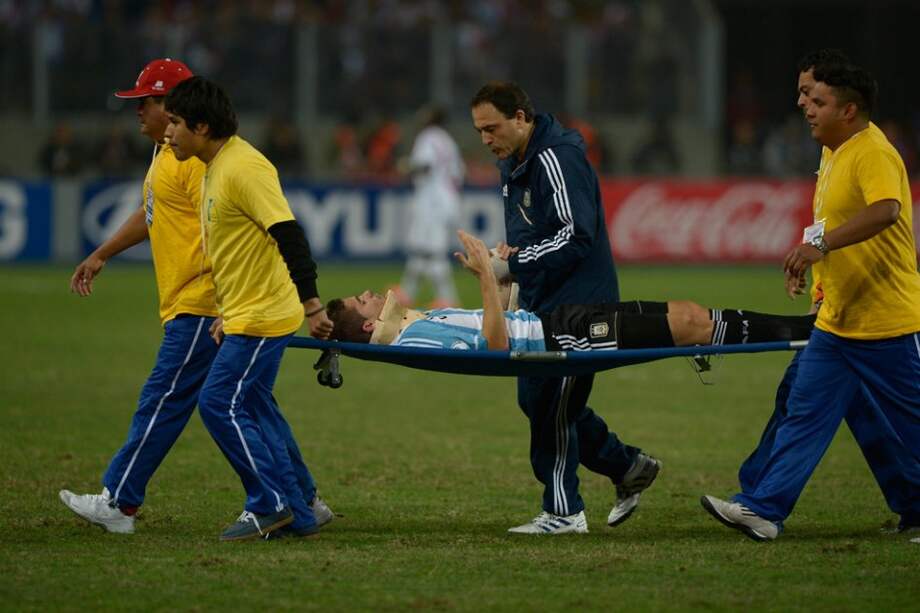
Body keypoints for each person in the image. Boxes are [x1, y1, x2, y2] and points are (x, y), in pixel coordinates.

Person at [58, 59, 333, 537]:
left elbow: (254, 232)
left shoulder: (203, 162)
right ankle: (303, 500)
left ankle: (120, 501)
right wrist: (102, 252)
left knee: (175, 398)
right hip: (223, 305)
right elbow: (154, 216)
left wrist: (250, 303)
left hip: (205, 304)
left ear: (180, 109)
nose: (139, 112)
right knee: (252, 403)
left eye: (147, 102)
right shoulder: (176, 156)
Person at [702, 60, 920, 541]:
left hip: (886, 322)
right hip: (839, 322)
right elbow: (832, 225)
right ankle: (764, 509)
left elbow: (887, 210)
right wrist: (820, 286)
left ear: (849, 109)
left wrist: (817, 248)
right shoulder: (833, 151)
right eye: (804, 96)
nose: (804, 107)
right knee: (803, 411)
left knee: (910, 424)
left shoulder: (873, 152)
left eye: (816, 100)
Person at [469, 80, 654, 535]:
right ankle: (628, 466)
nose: (485, 139)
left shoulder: (556, 157)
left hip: (581, 309)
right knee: (538, 400)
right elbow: (535, 234)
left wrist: (511, 265)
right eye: (479, 131)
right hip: (543, 304)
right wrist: (511, 261)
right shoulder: (513, 162)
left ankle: (564, 511)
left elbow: (576, 234)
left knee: (552, 404)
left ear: (521, 118)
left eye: (492, 128)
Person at [327, 231, 815, 355]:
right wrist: (484, 278)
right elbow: (496, 348)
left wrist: (502, 280)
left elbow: (498, 327)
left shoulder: (414, 324)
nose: (370, 292)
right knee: (690, 326)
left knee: (688, 315)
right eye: (361, 300)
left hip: (554, 320)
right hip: (559, 339)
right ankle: (808, 332)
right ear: (370, 325)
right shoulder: (415, 340)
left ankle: (807, 330)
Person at [394, 106, 465, 309]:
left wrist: (406, 166)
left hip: (432, 201)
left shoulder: (427, 136)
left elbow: (425, 165)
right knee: (420, 249)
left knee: (433, 252)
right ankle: (407, 293)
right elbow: (459, 172)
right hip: (447, 198)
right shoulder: (448, 141)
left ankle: (448, 300)